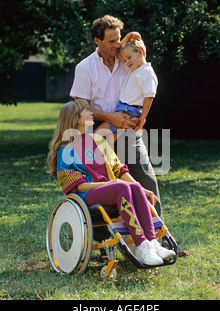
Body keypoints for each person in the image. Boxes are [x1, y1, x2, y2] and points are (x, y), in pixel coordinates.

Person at [47, 99, 176, 266]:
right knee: (121, 186)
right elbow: (77, 186)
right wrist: (106, 185)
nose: (91, 112)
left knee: (134, 185)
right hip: (87, 194)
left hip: (111, 189)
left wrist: (142, 189)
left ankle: (151, 243)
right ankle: (141, 244)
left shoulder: (98, 141)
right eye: (86, 111)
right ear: (75, 118)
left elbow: (119, 170)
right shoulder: (66, 150)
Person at [69, 15, 163, 230]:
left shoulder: (125, 58)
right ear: (97, 41)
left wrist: (131, 36)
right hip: (100, 138)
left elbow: (138, 51)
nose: (117, 45)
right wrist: (110, 117)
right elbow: (81, 106)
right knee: (106, 189)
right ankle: (106, 244)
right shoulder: (85, 68)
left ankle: (160, 238)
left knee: (147, 182)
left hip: (130, 134)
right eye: (111, 41)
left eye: (119, 39)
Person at [96, 37, 158, 142]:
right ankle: (102, 157)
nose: (126, 62)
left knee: (98, 135)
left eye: (129, 57)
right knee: (106, 142)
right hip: (124, 109)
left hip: (129, 111)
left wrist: (142, 119)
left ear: (140, 52)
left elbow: (149, 96)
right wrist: (129, 36)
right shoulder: (135, 69)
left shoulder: (147, 72)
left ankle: (84, 156)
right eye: (125, 60)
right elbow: (118, 52)